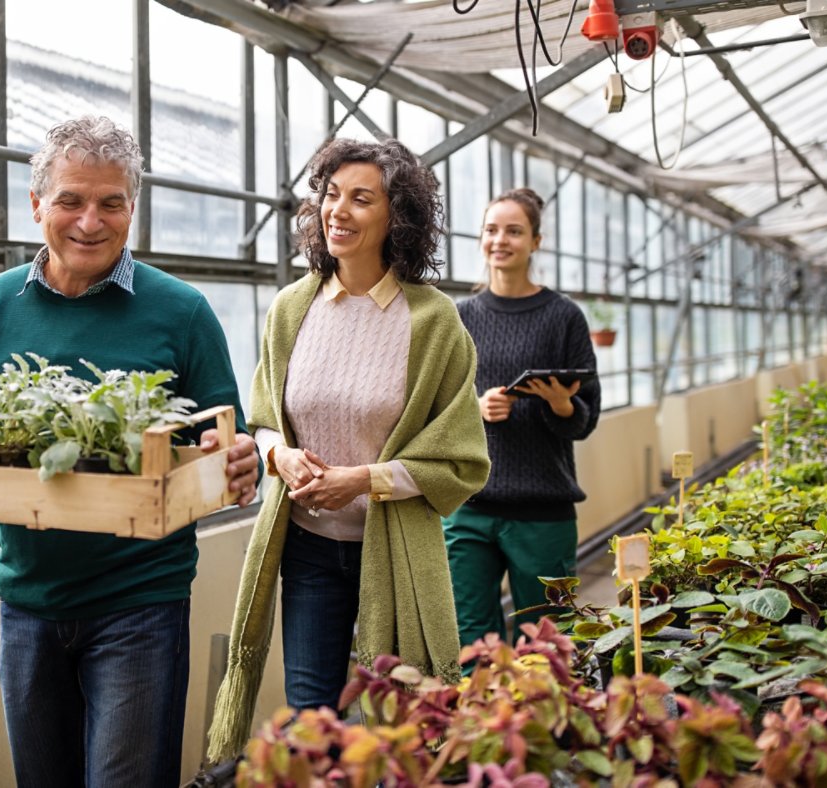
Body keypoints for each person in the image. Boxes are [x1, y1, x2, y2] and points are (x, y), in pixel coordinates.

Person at [0, 115, 259, 788]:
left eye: (111, 203)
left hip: (141, 604)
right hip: (27, 604)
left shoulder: (181, 312)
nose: (89, 221)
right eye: (71, 200)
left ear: (133, 208)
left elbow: (226, 441)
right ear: (37, 203)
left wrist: (233, 459)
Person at [206, 138, 490, 762]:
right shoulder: (292, 307)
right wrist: (279, 455)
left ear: (399, 217)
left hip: (393, 553)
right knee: (315, 719)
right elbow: (262, 420)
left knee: (398, 722)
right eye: (331, 195)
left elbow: (461, 459)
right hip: (307, 548)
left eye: (362, 198)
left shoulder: (433, 321)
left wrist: (365, 479)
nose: (338, 210)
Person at [445, 187, 602, 647]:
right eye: (491, 230)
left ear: (536, 241)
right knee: (471, 638)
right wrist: (473, 409)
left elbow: (586, 416)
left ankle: (545, 719)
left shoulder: (563, 316)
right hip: (466, 507)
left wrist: (560, 405)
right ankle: (486, 720)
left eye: (514, 231)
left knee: (548, 639)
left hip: (542, 511)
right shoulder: (458, 318)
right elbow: (430, 409)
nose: (500, 240)